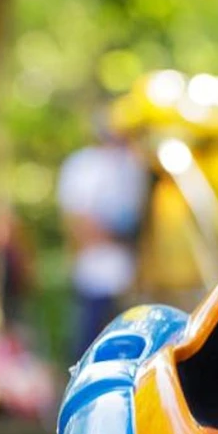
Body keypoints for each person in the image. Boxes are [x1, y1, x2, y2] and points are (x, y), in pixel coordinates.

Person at [57, 108, 151, 359]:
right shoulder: (85, 166)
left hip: (124, 270)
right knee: (88, 338)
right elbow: (77, 221)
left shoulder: (132, 165)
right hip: (94, 270)